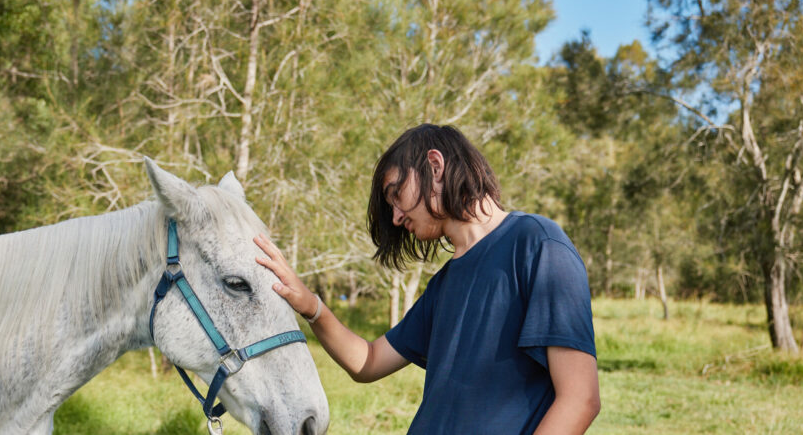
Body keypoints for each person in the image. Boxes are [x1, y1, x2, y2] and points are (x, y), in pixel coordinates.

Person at [254, 124, 600, 434]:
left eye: (396, 194)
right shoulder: (445, 283)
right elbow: (369, 362)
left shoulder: (537, 244)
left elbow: (580, 399)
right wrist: (311, 305)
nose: (396, 216)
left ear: (435, 166)